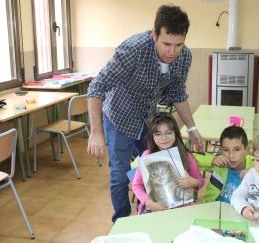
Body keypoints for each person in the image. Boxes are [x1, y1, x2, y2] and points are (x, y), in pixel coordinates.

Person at [86, 5, 203, 222]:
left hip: (148, 119)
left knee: (157, 167)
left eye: (178, 45)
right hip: (119, 116)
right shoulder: (134, 50)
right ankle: (121, 221)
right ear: (154, 34)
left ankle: (148, 214)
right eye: (166, 44)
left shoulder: (184, 57)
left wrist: (193, 128)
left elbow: (178, 93)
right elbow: (96, 87)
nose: (172, 51)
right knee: (121, 175)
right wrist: (96, 132)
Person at [193, 126, 259, 204]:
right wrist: (211, 160)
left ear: (247, 150)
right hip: (214, 210)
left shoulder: (256, 162)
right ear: (221, 150)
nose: (231, 156)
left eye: (237, 150)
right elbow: (189, 158)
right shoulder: (219, 162)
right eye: (226, 150)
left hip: (243, 213)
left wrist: (255, 172)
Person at [132, 112, 204, 213]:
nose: (164, 138)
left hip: (181, 210)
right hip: (153, 209)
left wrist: (194, 182)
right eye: (158, 134)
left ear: (176, 133)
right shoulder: (147, 156)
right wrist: (148, 203)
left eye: (168, 132)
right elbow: (136, 186)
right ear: (152, 136)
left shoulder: (187, 156)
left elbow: (200, 180)